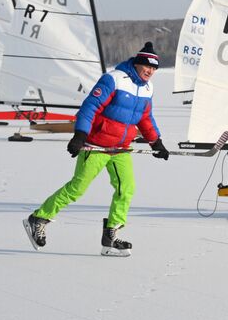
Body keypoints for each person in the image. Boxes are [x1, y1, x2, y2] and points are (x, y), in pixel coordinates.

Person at [23, 42, 169, 256]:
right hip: (96, 145)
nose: (150, 71)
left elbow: (145, 117)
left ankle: (111, 235)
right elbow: (90, 106)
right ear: (137, 64)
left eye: (154, 68)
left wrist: (156, 142)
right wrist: (80, 134)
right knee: (77, 189)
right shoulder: (114, 79)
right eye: (147, 66)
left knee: (126, 189)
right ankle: (38, 218)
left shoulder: (148, 88)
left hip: (120, 149)